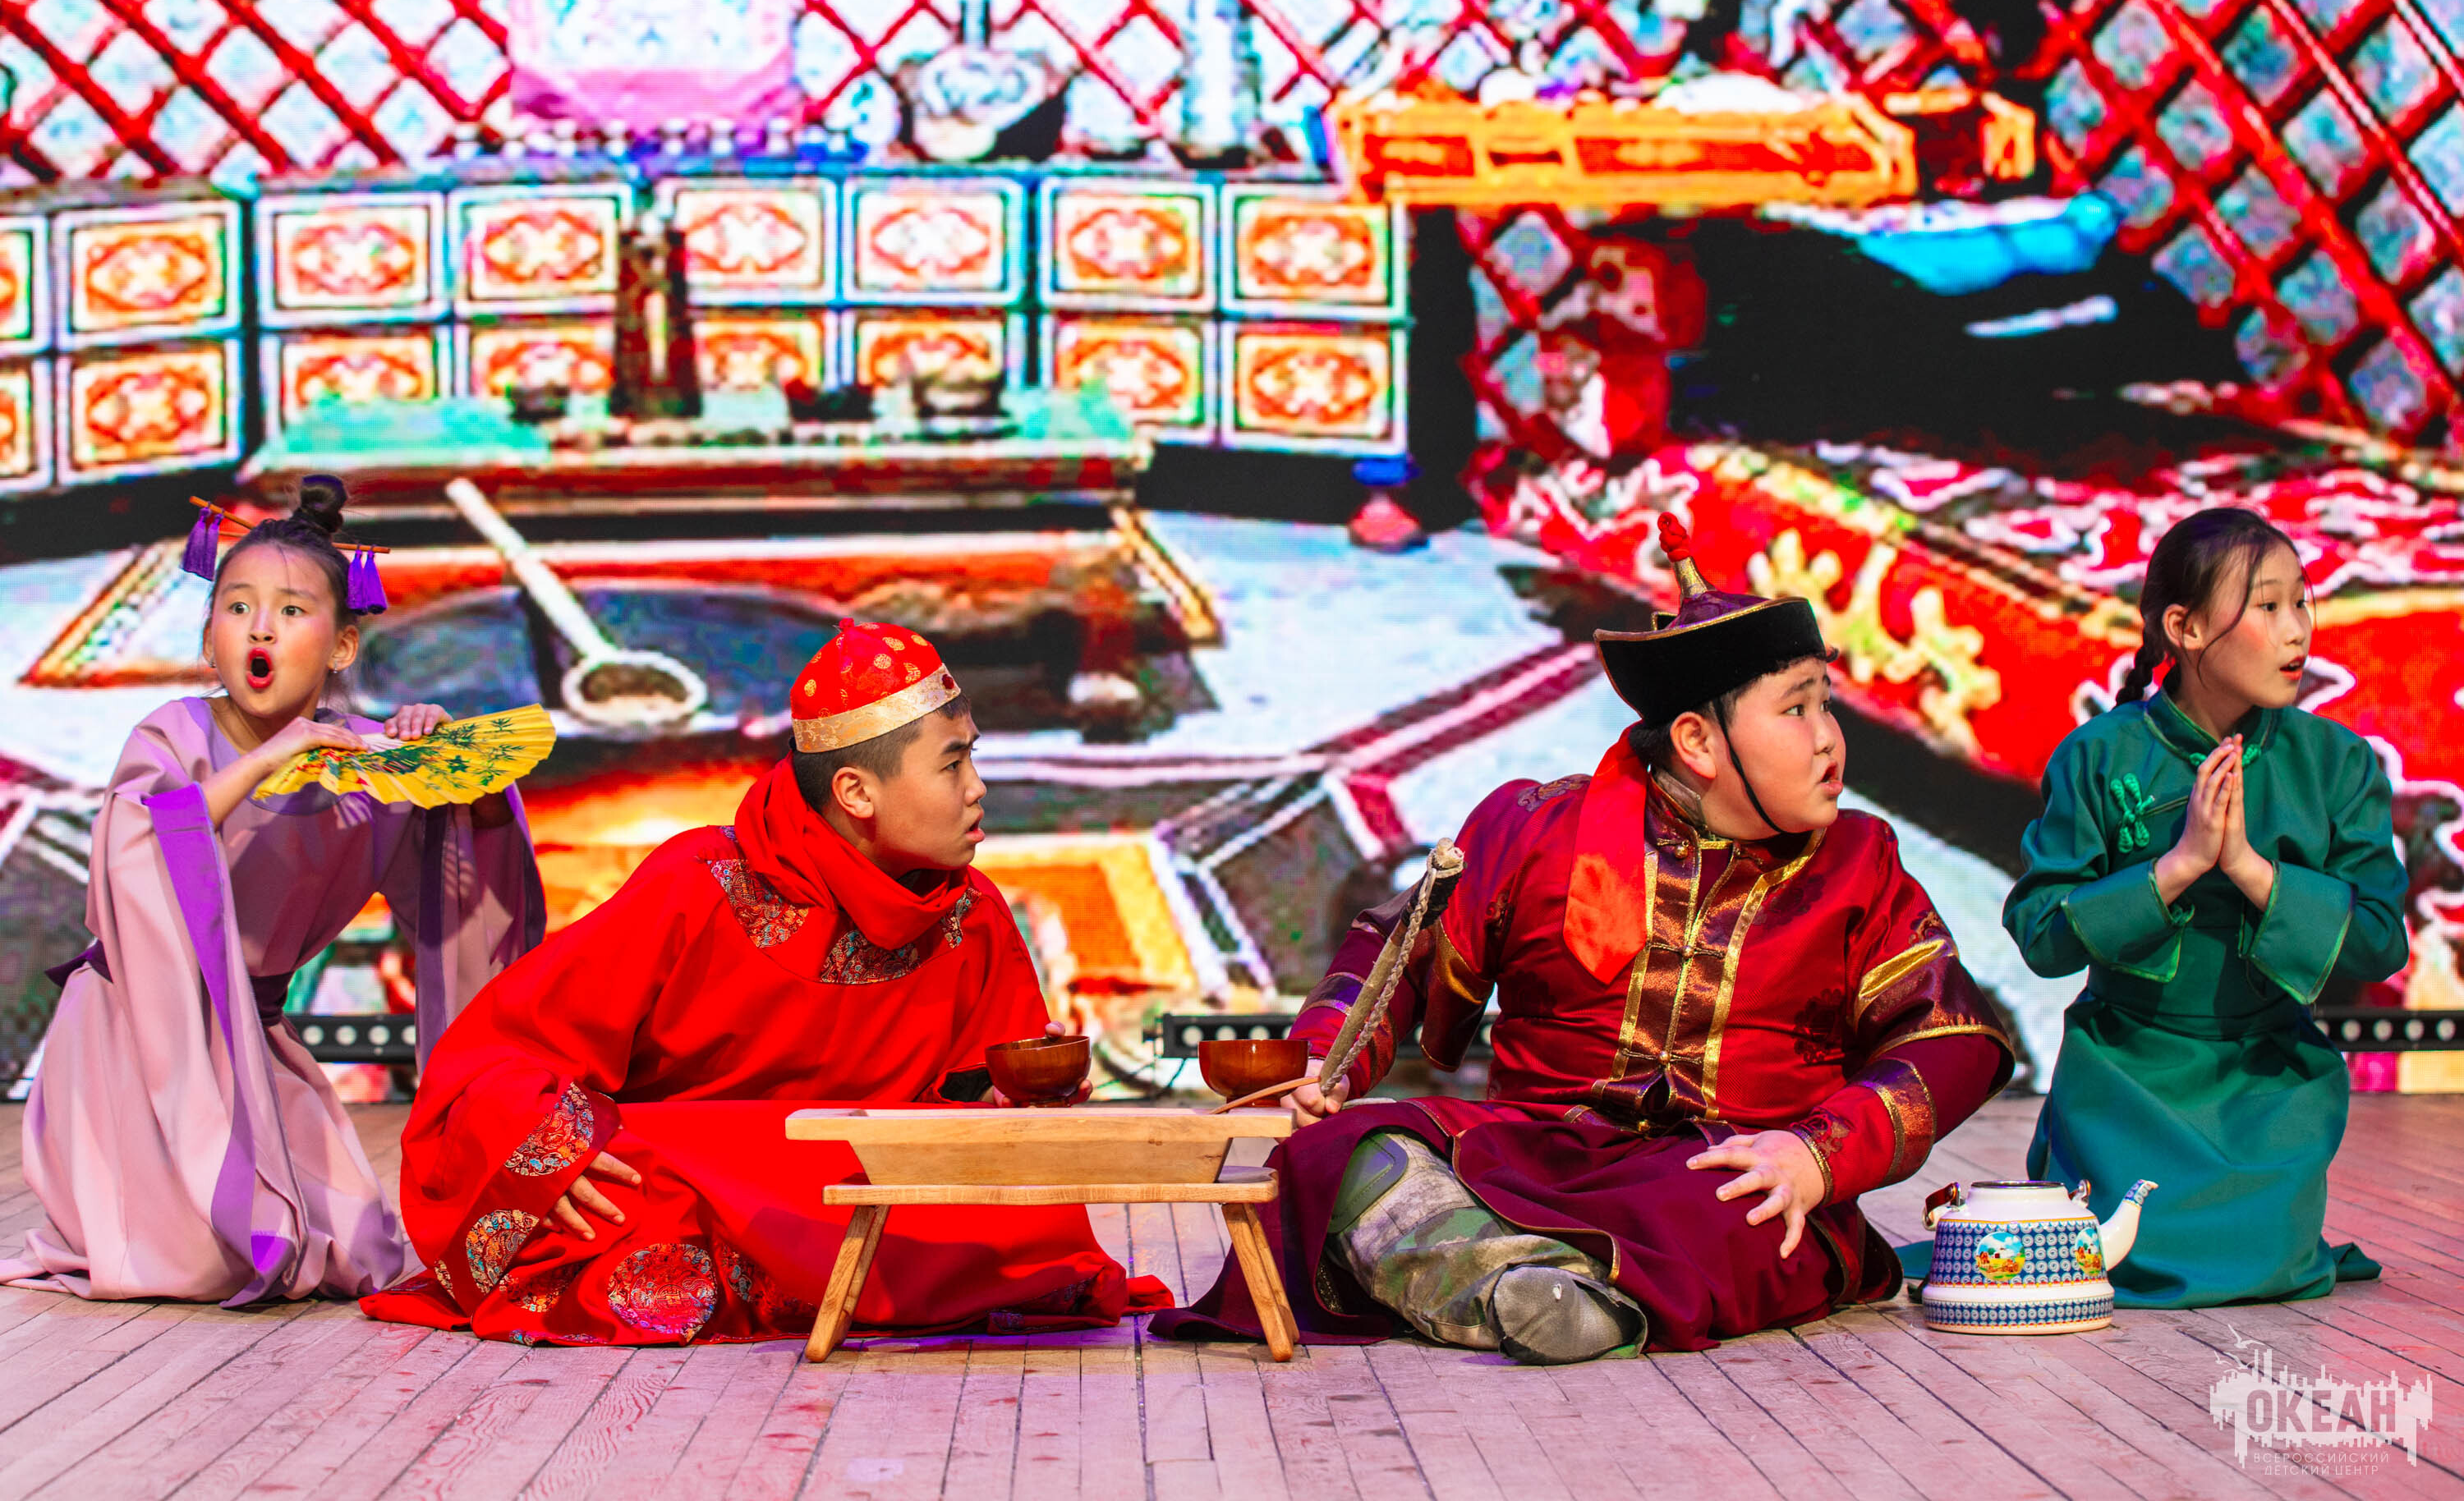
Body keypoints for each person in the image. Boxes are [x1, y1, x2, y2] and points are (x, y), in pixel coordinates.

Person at [1152, 516, 2014, 1364]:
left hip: (1724, 1167)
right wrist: (1324, 1061)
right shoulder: (1535, 828)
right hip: (1529, 1152)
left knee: (1741, 1212)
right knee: (1340, 1152)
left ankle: (1494, 1283)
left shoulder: (1859, 863)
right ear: (1697, 741)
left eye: (1828, 705)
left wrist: (1816, 1153)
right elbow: (1399, 951)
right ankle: (1535, 1289)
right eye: (1797, 709)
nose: (1829, 739)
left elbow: (1953, 1038)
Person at [362, 622, 1170, 1346]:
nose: (977, 787)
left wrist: (1012, 1109)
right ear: (856, 792)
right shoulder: (699, 882)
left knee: (1028, 1221)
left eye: (973, 757)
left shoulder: (973, 915)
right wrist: (552, 1151)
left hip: (870, 1177)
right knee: (619, 1183)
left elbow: (968, 1109)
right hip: (696, 1177)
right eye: (953, 763)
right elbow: (501, 1052)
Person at [0, 478, 544, 1305]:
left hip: (250, 1036)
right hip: (139, 1032)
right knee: (208, 1259)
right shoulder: (173, 733)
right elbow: (136, 850)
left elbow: (464, 876)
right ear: (209, 638)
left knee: (360, 1252)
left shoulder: (363, 764)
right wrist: (262, 761)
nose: (261, 626)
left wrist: (446, 772)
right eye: (238, 607)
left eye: (292, 610)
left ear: (342, 647)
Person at [2002, 506, 2407, 1306]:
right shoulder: (2098, 755)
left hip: (2269, 1082)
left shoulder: (2337, 763)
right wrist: (2179, 866)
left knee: (2268, 1265)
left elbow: (2380, 941)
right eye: (2268, 606)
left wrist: (2252, 870)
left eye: (2301, 602)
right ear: (2184, 628)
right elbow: (2044, 936)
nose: (2297, 630)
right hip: (2126, 1076)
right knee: (2114, 1250)